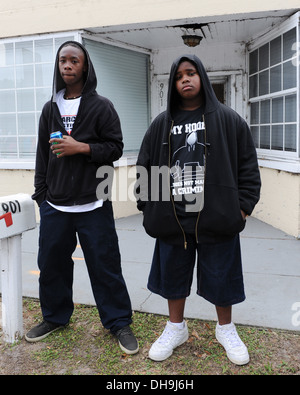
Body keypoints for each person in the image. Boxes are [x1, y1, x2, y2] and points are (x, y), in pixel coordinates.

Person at [135, 55, 261, 365]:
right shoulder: (161, 124)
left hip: (217, 216)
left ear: (202, 76)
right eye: (179, 76)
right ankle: (176, 328)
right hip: (173, 218)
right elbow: (145, 167)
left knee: (223, 277)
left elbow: (247, 166)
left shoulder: (229, 120)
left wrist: (241, 208)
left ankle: (226, 329)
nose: (185, 80)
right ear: (173, 85)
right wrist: (147, 206)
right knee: (172, 276)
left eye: (191, 73)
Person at [26, 41, 138, 355]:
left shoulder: (101, 106)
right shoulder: (50, 108)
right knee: (51, 266)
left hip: (94, 203)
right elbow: (42, 157)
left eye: (74, 60)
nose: (68, 65)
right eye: (63, 60)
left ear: (85, 67)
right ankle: (55, 318)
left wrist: (82, 148)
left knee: (105, 266)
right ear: (58, 67)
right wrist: (41, 197)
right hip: (56, 205)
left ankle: (118, 322)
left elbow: (115, 147)